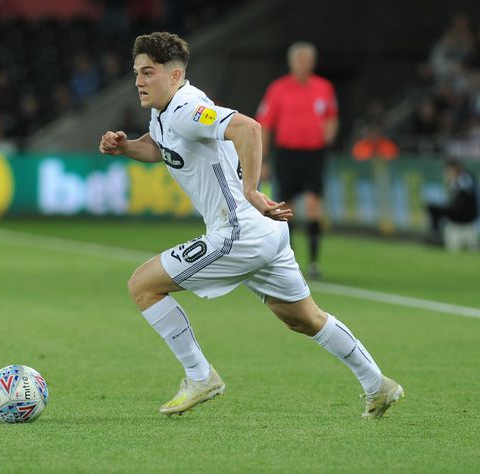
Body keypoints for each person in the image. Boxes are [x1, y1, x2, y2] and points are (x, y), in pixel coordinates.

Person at [99, 32, 402, 418]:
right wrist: (125, 147)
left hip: (238, 232)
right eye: (137, 73)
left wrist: (252, 190)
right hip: (265, 234)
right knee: (304, 318)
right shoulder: (164, 112)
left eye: (148, 72)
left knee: (142, 285)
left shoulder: (186, 108)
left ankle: (200, 376)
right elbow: (161, 148)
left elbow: (249, 128)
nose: (139, 81)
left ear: (175, 76)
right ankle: (378, 385)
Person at [255, 42, 338, 279]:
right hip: (287, 154)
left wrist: (328, 136)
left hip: (314, 154)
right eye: (299, 60)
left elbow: (331, 116)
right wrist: (264, 159)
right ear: (291, 63)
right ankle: (288, 261)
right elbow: (265, 124)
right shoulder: (278, 89)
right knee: (286, 209)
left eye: (307, 60)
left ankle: (313, 262)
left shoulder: (324, 87)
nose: (303, 64)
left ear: (312, 62)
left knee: (313, 206)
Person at [426, 158, 478, 248]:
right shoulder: (455, 180)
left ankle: (435, 237)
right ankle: (436, 236)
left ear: (456, 168)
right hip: (457, 213)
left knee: (433, 208)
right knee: (432, 207)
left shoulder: (465, 178)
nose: (448, 172)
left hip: (466, 213)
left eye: (449, 169)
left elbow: (465, 193)